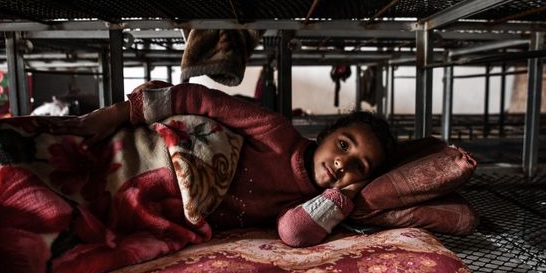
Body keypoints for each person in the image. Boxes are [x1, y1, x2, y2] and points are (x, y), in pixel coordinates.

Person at [52, 81, 397, 248]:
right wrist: (112, 114)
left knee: (65, 223)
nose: (342, 162)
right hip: (152, 157)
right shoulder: (276, 133)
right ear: (325, 134)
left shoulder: (306, 205)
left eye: (359, 166)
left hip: (161, 205)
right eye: (343, 145)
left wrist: (346, 193)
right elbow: (200, 99)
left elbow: (293, 233)